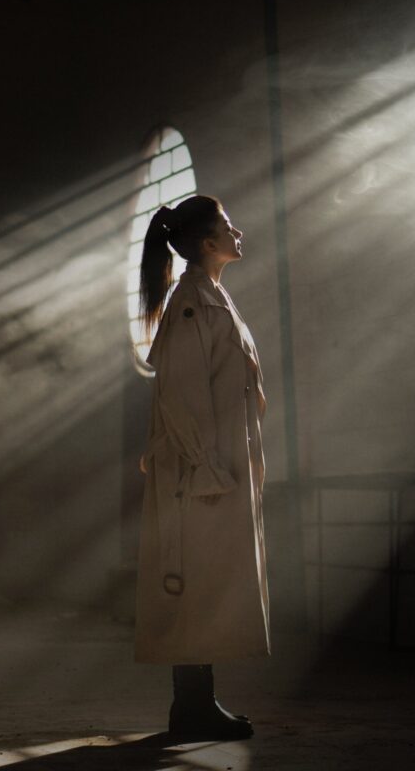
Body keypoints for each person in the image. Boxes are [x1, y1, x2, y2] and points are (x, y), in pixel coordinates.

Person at [134, 194, 270, 742]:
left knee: (209, 583)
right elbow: (182, 395)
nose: (239, 231)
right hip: (199, 472)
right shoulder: (192, 300)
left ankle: (198, 703)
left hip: (215, 465)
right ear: (209, 242)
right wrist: (206, 464)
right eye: (228, 226)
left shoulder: (214, 296)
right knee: (193, 583)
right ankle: (192, 706)